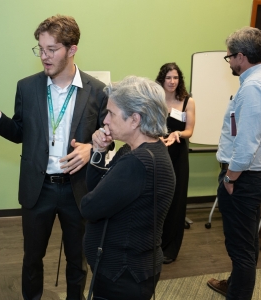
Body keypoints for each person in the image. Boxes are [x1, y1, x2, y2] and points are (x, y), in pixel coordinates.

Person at [0, 15, 108, 300]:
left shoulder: (97, 90)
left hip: (78, 189)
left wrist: (93, 148)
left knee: (77, 260)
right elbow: (20, 132)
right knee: (32, 259)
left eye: (51, 49)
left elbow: (109, 135)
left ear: (72, 50)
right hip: (38, 188)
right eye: (40, 49)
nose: (44, 56)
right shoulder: (27, 87)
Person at [80, 76, 175, 300]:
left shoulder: (137, 162)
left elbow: (89, 206)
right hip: (128, 270)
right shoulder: (139, 151)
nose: (105, 120)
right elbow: (96, 188)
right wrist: (98, 150)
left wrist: (91, 197)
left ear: (134, 119)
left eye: (111, 113)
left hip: (122, 276)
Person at [206, 27, 261, 300]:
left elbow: (247, 141)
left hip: (243, 178)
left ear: (242, 56)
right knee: (246, 241)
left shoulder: (254, 88)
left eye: (229, 58)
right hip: (254, 174)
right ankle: (235, 285)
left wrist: (230, 178)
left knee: (241, 247)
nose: (230, 63)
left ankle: (239, 294)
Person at [156, 63, 196, 264]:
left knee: (176, 201)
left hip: (178, 154)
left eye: (175, 78)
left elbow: (189, 130)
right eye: (168, 78)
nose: (172, 82)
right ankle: (154, 244)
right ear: (162, 80)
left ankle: (171, 248)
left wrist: (177, 133)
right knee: (157, 199)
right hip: (158, 153)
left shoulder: (188, 101)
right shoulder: (155, 99)